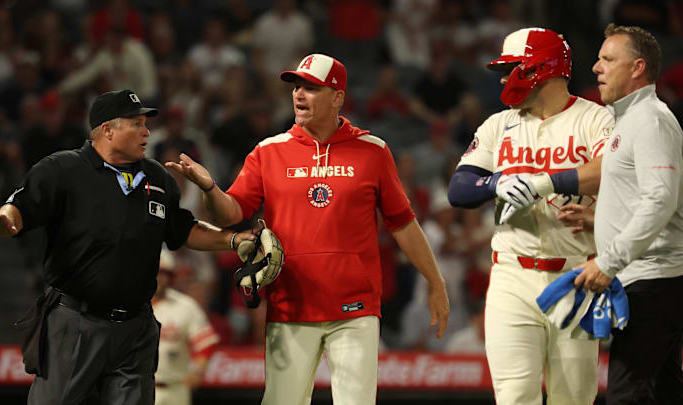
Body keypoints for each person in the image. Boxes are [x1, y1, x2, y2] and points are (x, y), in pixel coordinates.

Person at [166, 53, 451, 405]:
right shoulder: (268, 152)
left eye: (311, 88)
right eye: (296, 87)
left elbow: (403, 223)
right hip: (291, 306)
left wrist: (436, 282)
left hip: (354, 307)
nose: (299, 95)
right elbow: (231, 213)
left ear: (338, 97)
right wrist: (211, 189)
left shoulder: (373, 151)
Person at [0, 89, 253, 405]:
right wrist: (6, 219)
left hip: (136, 328)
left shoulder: (157, 177)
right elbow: (21, 204)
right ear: (107, 130)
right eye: (136, 123)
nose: (147, 132)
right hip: (76, 321)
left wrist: (232, 239)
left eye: (146, 124)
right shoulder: (63, 169)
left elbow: (184, 230)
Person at [447, 28, 615, 404]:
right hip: (511, 275)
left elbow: (614, 169)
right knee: (514, 396)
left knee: (572, 398)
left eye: (512, 68)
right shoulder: (498, 124)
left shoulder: (595, 119)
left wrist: (542, 182)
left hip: (577, 275)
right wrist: (495, 184)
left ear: (541, 68)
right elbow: (459, 189)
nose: (505, 79)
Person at [565, 24, 683, 404]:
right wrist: (599, 221)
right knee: (663, 390)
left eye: (607, 59)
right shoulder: (628, 120)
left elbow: (660, 200)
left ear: (637, 68)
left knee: (625, 394)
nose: (596, 68)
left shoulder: (650, 119)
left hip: (655, 280)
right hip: (649, 278)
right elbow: (647, 199)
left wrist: (607, 260)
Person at [153, 249, 219, 405]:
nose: (158, 278)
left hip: (175, 388)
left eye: (163, 274)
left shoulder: (185, 306)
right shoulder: (134, 306)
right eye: (155, 273)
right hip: (141, 387)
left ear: (171, 277)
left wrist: (197, 370)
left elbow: (206, 343)